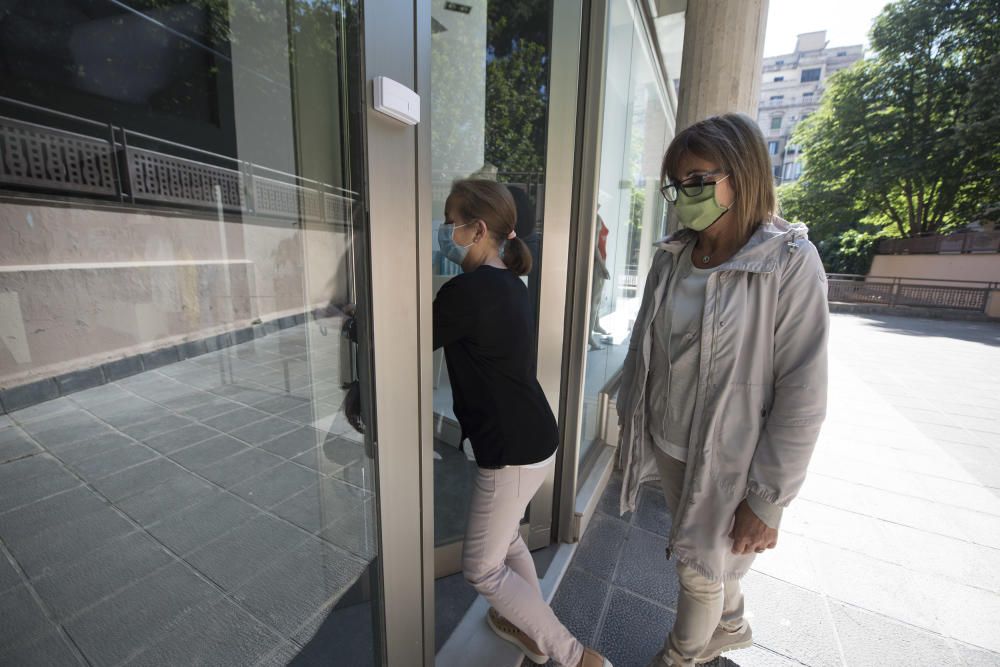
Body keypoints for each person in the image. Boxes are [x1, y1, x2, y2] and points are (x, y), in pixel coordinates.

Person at [614, 113, 830, 666]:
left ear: (742, 174)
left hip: (732, 459)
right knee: (714, 560)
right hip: (669, 439)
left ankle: (680, 657)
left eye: (697, 182)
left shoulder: (788, 262)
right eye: (677, 184)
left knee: (697, 569)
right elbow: (651, 346)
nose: (685, 196)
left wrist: (769, 500)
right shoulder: (675, 256)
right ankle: (731, 624)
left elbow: (803, 392)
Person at [434, 179, 611, 667]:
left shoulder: (465, 292)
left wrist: (354, 319)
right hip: (535, 436)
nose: (445, 230)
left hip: (511, 448)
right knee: (506, 534)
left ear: (478, 228)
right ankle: (528, 623)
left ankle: (575, 657)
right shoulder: (510, 284)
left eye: (451, 221)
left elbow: (404, 337)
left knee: (481, 569)